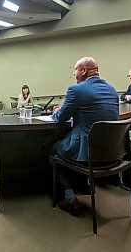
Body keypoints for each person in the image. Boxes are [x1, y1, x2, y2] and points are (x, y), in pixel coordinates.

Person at [51, 57, 119, 212]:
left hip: (87, 153)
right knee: (72, 146)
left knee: (54, 150)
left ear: (84, 70)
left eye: (75, 70)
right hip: (111, 152)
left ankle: (68, 196)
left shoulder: (76, 90)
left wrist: (56, 111)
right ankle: (84, 186)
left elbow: (60, 118)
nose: (74, 74)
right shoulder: (112, 90)